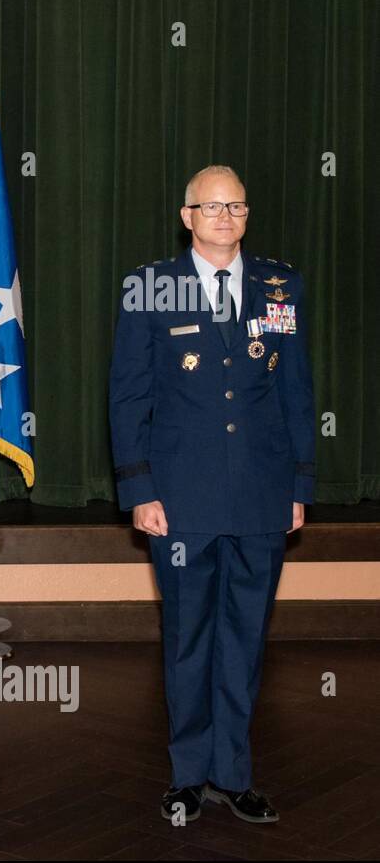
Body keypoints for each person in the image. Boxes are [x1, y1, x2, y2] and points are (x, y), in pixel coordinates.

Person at [109, 164, 314, 825]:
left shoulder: (282, 285)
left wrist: (298, 484)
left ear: (247, 216)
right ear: (186, 215)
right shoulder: (149, 288)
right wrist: (139, 487)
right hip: (180, 497)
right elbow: (129, 393)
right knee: (190, 635)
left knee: (247, 635)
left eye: (237, 207)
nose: (225, 217)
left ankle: (233, 771)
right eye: (212, 206)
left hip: (260, 491)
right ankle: (188, 773)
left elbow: (296, 393)